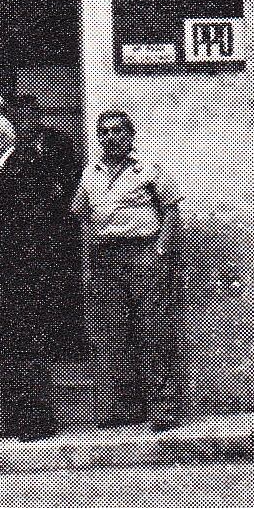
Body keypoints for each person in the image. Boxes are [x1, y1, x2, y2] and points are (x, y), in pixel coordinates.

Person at [72, 111, 182, 431]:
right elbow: (80, 216)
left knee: (153, 332)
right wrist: (89, 258)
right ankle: (126, 406)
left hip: (143, 254)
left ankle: (163, 408)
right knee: (114, 335)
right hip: (106, 259)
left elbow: (171, 211)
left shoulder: (148, 168)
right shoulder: (91, 173)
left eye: (118, 131)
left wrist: (159, 252)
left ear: (130, 135)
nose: (111, 138)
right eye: (104, 132)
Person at [0, 114, 60, 440]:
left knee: (26, 347)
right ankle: (19, 420)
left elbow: (30, 227)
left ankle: (35, 422)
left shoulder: (24, 169)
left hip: (21, 278)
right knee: (12, 347)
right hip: (5, 278)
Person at [14, 96, 85, 361]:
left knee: (62, 281)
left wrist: (60, 192)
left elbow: (73, 178)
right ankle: (36, 344)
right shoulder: (15, 147)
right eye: (20, 118)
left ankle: (67, 345)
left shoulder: (58, 142)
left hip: (59, 225)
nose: (25, 122)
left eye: (30, 116)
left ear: (38, 116)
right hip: (29, 228)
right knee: (33, 285)